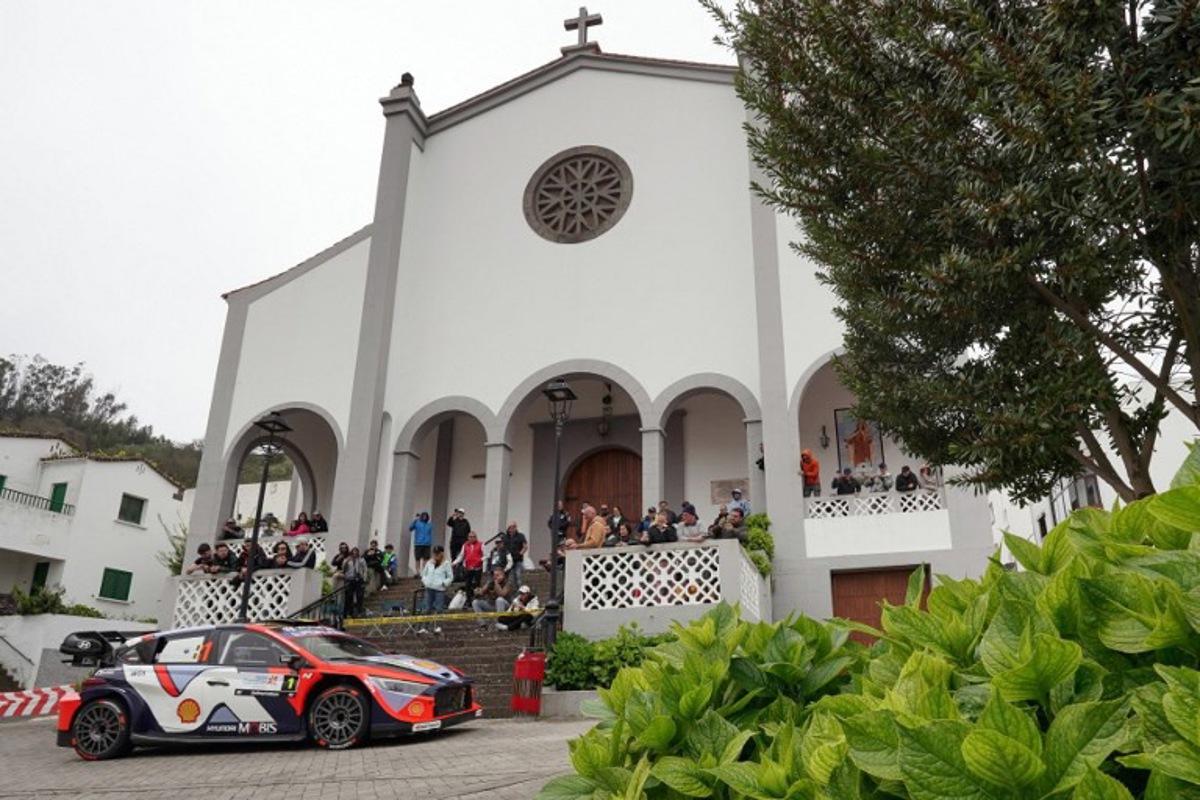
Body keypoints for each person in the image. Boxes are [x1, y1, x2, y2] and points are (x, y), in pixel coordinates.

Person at [419, 546, 453, 634]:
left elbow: (450, 577)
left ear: (442, 553)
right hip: (429, 588)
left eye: (438, 553)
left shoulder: (446, 563)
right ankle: (425, 627)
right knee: (427, 608)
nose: (436, 555)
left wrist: (444, 583)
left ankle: (438, 626)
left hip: (440, 589)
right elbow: (424, 574)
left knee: (439, 608)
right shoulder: (429, 563)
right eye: (435, 553)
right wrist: (425, 582)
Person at [453, 530, 485, 600]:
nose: (472, 538)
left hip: (477, 568)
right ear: (468, 537)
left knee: (477, 584)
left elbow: (485, 555)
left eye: (473, 537)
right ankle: (468, 600)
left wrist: (480, 561)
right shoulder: (465, 545)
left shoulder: (481, 544)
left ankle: (477, 599)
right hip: (468, 568)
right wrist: (454, 563)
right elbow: (461, 556)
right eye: (470, 537)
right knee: (468, 584)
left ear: (476, 537)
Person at [340, 546, 368, 618]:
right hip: (350, 579)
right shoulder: (347, 560)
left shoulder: (361, 560)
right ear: (351, 553)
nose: (355, 553)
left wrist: (364, 579)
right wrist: (346, 561)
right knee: (349, 596)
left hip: (359, 579)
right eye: (353, 552)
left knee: (359, 596)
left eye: (356, 552)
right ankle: (350, 612)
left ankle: (359, 612)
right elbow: (343, 569)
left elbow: (365, 570)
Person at [500, 521, 528, 588]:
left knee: (518, 576)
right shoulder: (505, 537)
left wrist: (520, 553)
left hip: (517, 560)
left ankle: (520, 592)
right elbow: (502, 547)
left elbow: (525, 547)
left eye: (513, 527)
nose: (512, 529)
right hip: (508, 561)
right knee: (508, 578)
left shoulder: (521, 536)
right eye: (510, 527)